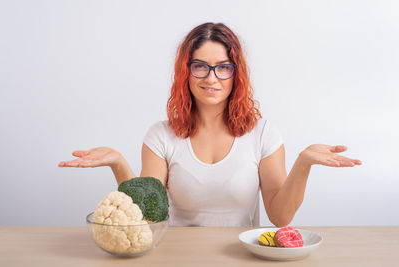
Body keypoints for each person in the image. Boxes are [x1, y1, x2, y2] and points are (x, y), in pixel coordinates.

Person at [58, 22, 362, 227]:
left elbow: (280, 217)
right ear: (186, 72)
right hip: (178, 257)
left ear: (236, 73)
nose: (211, 78)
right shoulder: (160, 136)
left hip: (243, 257)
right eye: (200, 66)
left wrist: (304, 162)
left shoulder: (263, 133)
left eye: (223, 68)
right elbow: (149, 216)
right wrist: (118, 165)